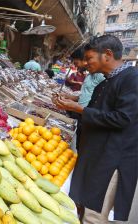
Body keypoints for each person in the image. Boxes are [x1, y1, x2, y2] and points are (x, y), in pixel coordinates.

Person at [56, 35, 138, 223]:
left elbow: (123, 118)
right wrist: (73, 108)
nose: (85, 63)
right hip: (97, 156)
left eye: (89, 58)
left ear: (107, 55)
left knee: (94, 215)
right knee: (86, 208)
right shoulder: (106, 81)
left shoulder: (131, 80)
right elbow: (96, 115)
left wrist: (80, 109)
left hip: (111, 160)